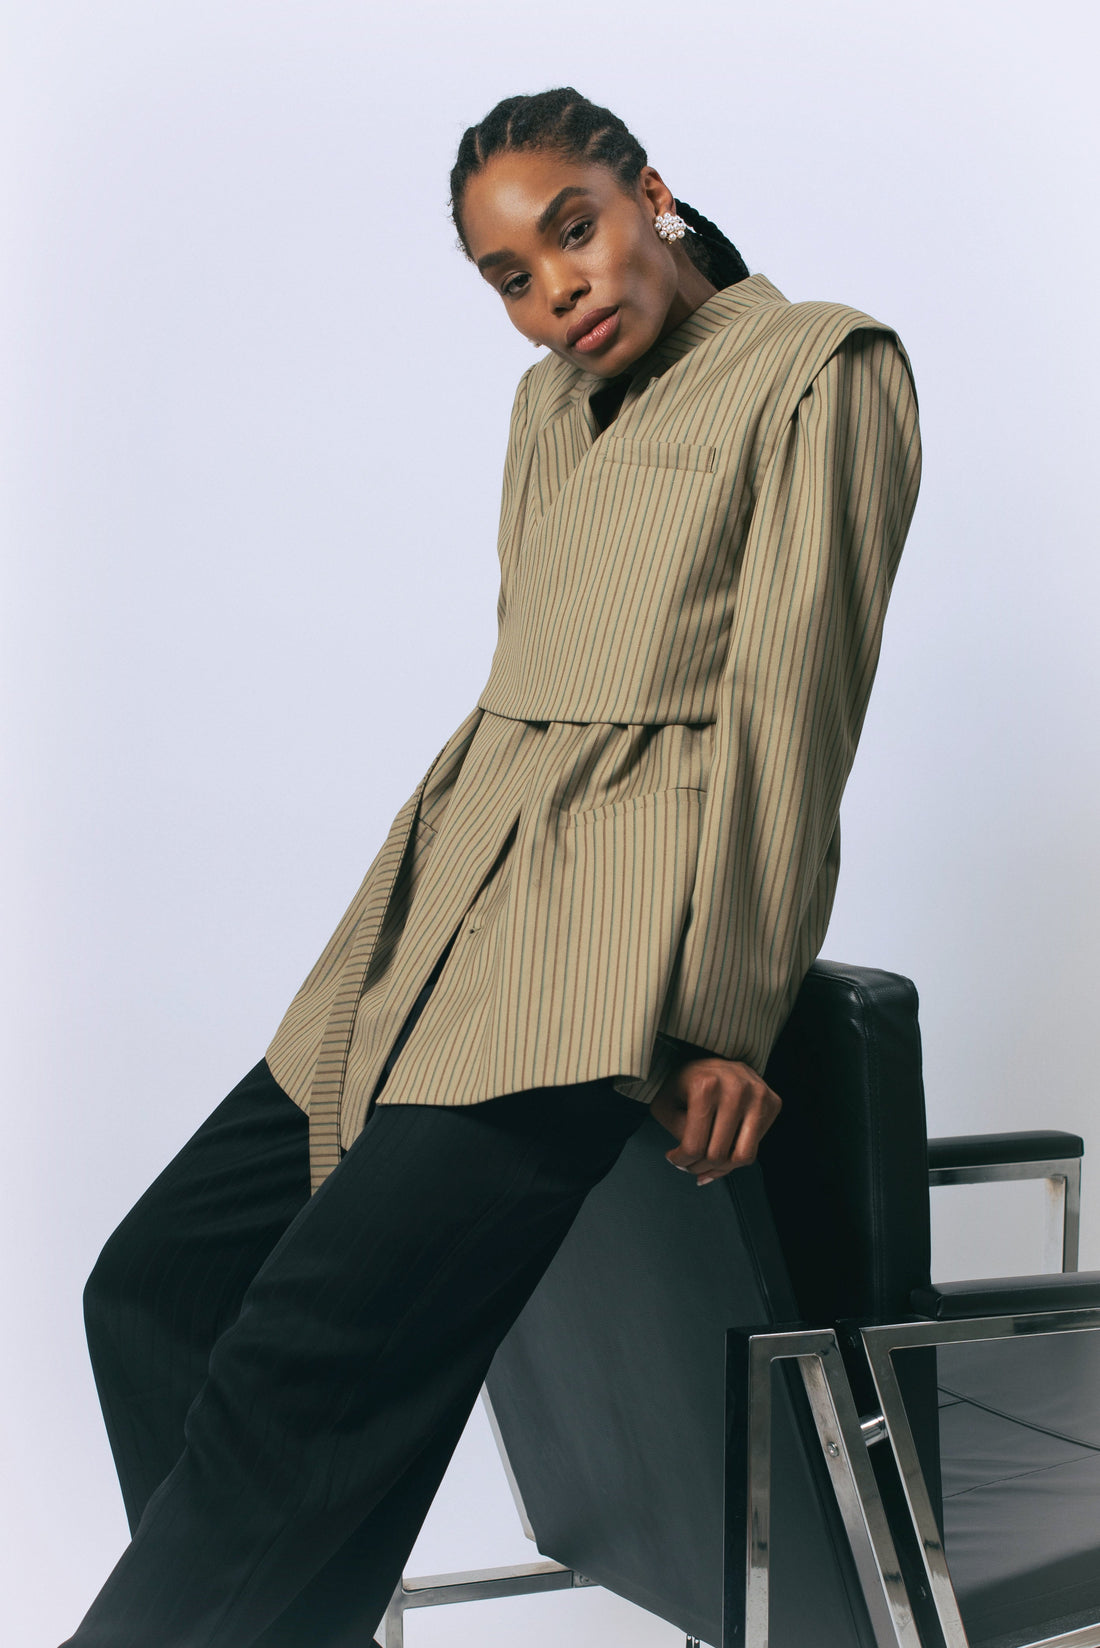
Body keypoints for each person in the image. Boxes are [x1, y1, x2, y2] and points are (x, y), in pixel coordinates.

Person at [62, 87, 921, 1648]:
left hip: (600, 946)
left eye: (573, 232)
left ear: (650, 192)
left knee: (301, 1362)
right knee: (157, 1285)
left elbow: (794, 713)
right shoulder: (546, 406)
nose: (555, 292)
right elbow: (528, 667)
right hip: (440, 900)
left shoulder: (823, 368)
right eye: (511, 278)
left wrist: (725, 1014)